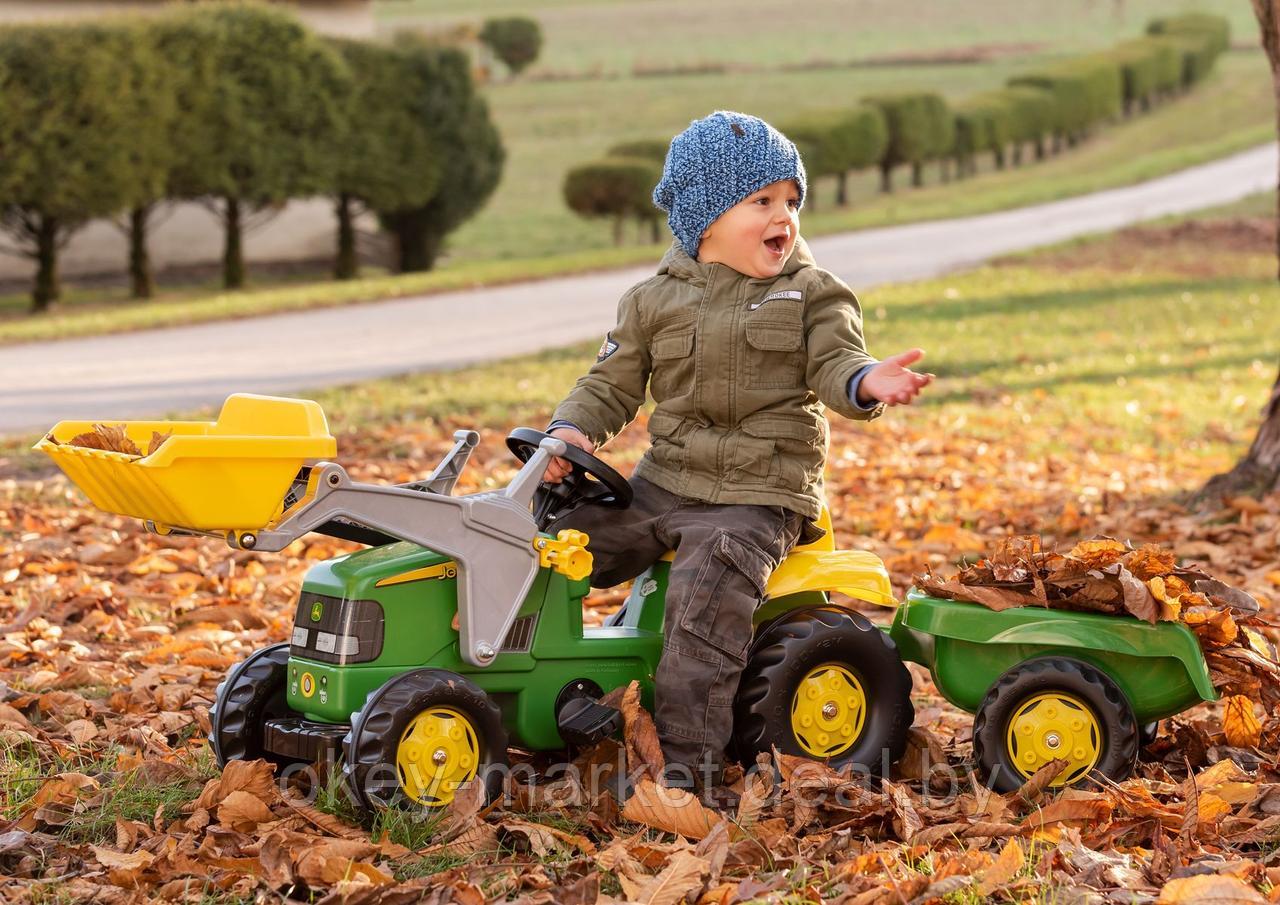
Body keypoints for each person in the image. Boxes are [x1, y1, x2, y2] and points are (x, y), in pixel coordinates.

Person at [543, 110, 931, 801]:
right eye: (763, 200)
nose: (784, 215)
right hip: (664, 484)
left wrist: (868, 381)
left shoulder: (811, 293)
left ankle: (684, 773)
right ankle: (528, 687)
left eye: (791, 200)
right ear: (707, 217)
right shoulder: (652, 301)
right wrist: (571, 431)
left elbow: (838, 359)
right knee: (552, 542)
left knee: (704, 608)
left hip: (759, 494)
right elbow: (610, 383)